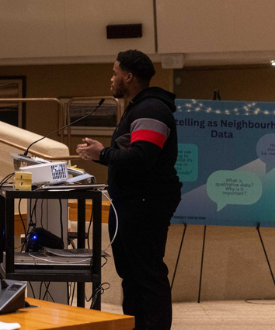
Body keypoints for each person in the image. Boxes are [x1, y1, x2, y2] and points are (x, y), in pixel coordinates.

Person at [75, 49, 181, 330]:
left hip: (146, 203)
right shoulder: (139, 107)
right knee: (131, 275)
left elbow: (143, 156)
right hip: (130, 203)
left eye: (115, 72)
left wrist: (102, 154)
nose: (112, 78)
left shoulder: (152, 109)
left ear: (129, 76)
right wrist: (102, 154)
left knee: (147, 274)